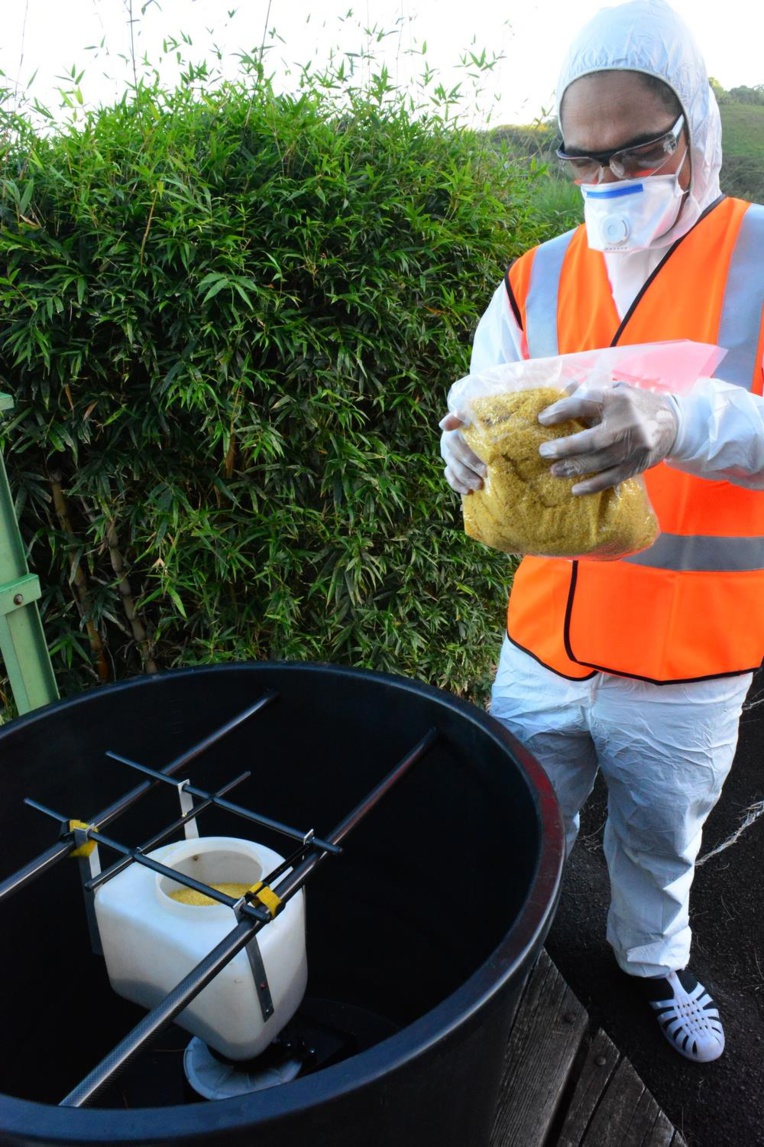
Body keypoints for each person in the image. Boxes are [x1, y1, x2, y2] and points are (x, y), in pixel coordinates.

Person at [440, 0, 764, 1064]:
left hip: (685, 655)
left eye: (639, 147)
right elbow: (477, 397)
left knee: (658, 839)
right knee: (514, 821)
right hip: (541, 640)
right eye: (584, 158)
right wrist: (455, 443)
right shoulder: (534, 274)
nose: (611, 177)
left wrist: (677, 420)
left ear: (695, 134)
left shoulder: (759, 258)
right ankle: (496, 963)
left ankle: (653, 961)